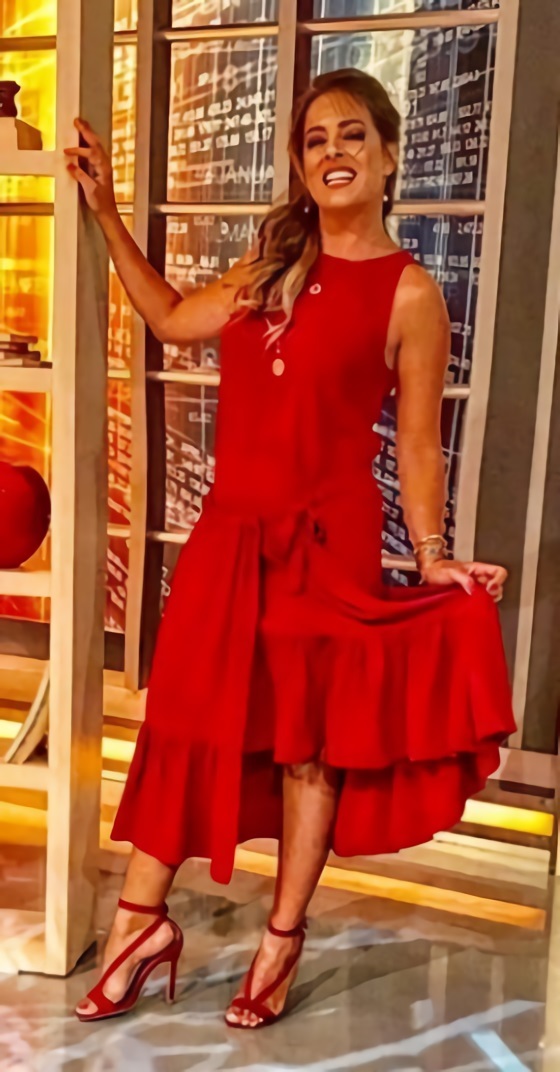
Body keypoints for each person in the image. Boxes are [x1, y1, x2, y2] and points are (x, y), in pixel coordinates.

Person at [65, 67, 515, 1028]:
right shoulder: (269, 268)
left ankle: (281, 936)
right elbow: (170, 318)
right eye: (315, 140)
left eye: (352, 135)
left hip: (327, 545)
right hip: (229, 538)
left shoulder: (410, 293)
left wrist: (431, 551)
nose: (333, 152)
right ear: (302, 166)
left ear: (387, 157)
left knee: (309, 749)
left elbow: (420, 445)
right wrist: (106, 214)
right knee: (186, 720)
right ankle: (141, 921)